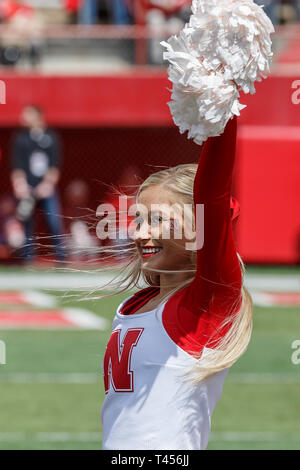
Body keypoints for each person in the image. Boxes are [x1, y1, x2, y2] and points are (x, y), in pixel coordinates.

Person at [100, 0, 273, 450]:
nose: (141, 233)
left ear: (196, 226)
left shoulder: (206, 303)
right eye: (138, 219)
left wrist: (223, 98)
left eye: (158, 220)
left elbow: (213, 196)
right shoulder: (138, 305)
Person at [10, 105, 65, 263]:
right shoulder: (20, 138)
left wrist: (47, 184)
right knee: (26, 222)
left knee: (53, 221)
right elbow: (17, 165)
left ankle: (61, 258)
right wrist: (20, 185)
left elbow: (55, 164)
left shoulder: (51, 137)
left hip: (46, 188)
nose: (23, 118)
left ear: (38, 116)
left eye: (27, 114)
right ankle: (28, 259)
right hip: (28, 188)